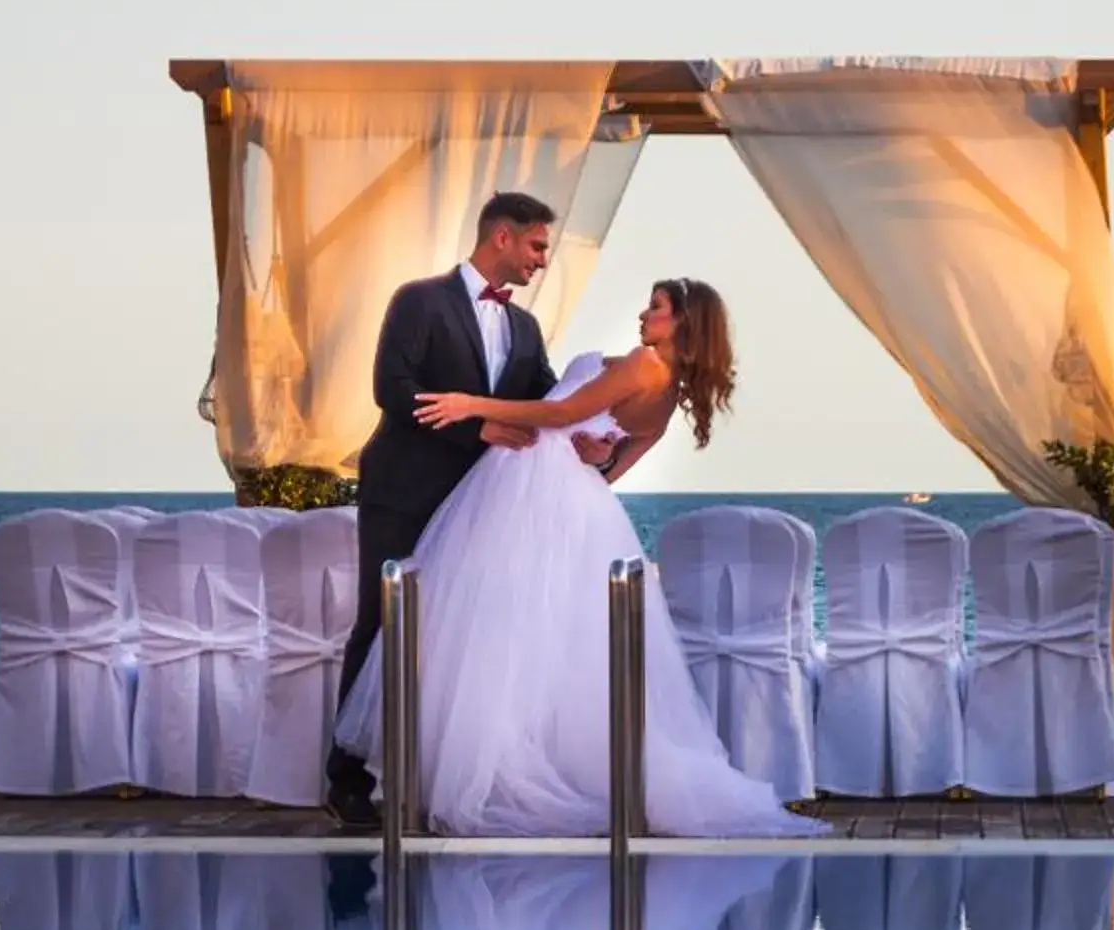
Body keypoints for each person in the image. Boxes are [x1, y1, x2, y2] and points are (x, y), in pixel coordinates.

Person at [335, 280, 824, 841]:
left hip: (525, 488)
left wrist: (471, 405)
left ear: (685, 323)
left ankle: (490, 775)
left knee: (493, 634)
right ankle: (505, 768)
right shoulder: (669, 395)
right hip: (576, 504)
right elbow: (609, 472)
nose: (645, 313)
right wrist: (601, 452)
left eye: (658, 308)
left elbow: (561, 410)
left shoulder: (643, 365)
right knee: (536, 642)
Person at [328, 190, 563, 803]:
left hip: (479, 505)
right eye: (538, 245)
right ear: (503, 237)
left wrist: (598, 432)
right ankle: (346, 778)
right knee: (382, 624)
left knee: (462, 637)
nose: (543, 260)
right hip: (404, 492)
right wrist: (476, 427)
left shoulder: (525, 327)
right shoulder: (419, 300)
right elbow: (392, 388)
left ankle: (434, 775)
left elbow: (551, 399)